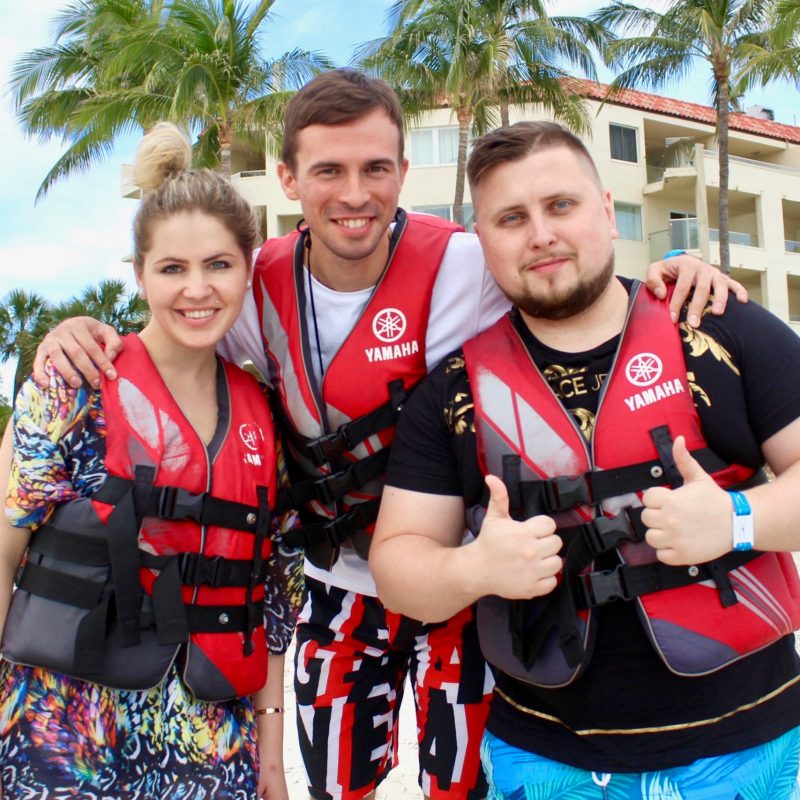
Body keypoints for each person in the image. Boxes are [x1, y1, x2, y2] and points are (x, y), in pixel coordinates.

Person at [31, 71, 748, 800]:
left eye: (375, 168)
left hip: (462, 579)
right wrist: (82, 336)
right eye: (328, 171)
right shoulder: (254, 287)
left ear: (403, 172)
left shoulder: (467, 263)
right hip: (336, 588)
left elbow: (568, 277)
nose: (353, 194)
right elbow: (177, 330)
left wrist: (666, 276)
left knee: (460, 785)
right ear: (287, 179)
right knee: (339, 785)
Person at [370, 119, 800, 799]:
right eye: (511, 218)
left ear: (605, 210)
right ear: (482, 240)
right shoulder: (451, 392)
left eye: (560, 205)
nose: (540, 234)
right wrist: (472, 567)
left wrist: (736, 519)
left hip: (752, 748)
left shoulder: (719, 326)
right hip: (544, 760)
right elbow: (397, 562)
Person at [0, 123, 300, 800]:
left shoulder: (265, 416)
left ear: (248, 270)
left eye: (219, 265)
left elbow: (273, 602)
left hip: (212, 741)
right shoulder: (70, 387)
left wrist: (273, 767)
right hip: (62, 737)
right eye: (172, 268)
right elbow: (2, 553)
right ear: (139, 275)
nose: (197, 289)